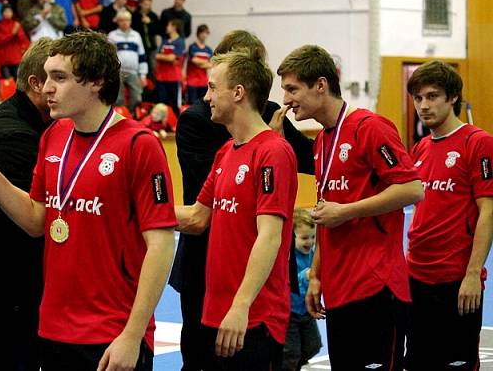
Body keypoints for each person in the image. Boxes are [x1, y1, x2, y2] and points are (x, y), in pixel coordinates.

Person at [0, 31, 176, 370]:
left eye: (60, 77)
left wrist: (133, 334)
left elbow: (161, 245)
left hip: (112, 331)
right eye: (47, 76)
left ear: (96, 82)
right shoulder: (54, 136)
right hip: (53, 328)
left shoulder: (139, 144)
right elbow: (38, 220)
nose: (46, 88)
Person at [170, 29, 314, 371]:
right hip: (215, 306)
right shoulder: (225, 152)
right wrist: (130, 206)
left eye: (211, 87)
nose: (206, 97)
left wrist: (241, 304)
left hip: (252, 313)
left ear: (238, 91)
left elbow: (269, 235)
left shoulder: (273, 151)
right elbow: (195, 217)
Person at [278, 44, 423, 370]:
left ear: (320, 85)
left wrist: (347, 211)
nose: (287, 99)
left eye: (292, 89)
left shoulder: (369, 127)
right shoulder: (323, 142)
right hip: (339, 289)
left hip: (376, 285)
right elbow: (327, 213)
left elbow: (413, 188)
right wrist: (316, 275)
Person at [0, 37, 54, 371]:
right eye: (56, 78)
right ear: (35, 83)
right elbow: (32, 218)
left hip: (15, 286)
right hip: (8, 289)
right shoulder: (14, 132)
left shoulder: (35, 122)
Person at [405, 61, 493, 371]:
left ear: (453, 97)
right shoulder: (420, 149)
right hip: (416, 277)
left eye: (433, 96)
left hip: (456, 281)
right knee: (417, 362)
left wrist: (472, 274)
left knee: (456, 363)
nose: (424, 106)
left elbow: (488, 212)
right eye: (418, 98)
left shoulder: (477, 142)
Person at [283, 209, 322, 371]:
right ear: (292, 237)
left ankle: (294, 365)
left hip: (306, 312)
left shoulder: (314, 254)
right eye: (304, 238)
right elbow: (288, 281)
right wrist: (305, 275)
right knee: (291, 352)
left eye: (313, 237)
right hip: (289, 314)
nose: (310, 242)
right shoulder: (287, 257)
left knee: (314, 345)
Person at [108, 9, 147, 115]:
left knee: (137, 97)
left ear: (130, 21)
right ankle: (120, 118)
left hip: (133, 71)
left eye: (127, 20)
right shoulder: (112, 36)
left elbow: (142, 56)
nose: (125, 22)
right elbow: (108, 56)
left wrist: (143, 75)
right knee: (118, 98)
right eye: (122, 20)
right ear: (118, 21)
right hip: (117, 72)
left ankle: (133, 116)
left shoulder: (136, 36)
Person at [155, 18, 185, 114]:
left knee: (174, 104)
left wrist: (163, 57)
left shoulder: (180, 41)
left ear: (174, 27)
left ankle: (175, 125)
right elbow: (157, 56)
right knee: (161, 104)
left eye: (168, 25)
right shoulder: (164, 41)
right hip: (161, 77)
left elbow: (171, 58)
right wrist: (167, 57)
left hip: (174, 78)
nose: (167, 27)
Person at [0, 3, 29, 79]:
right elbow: (0, 41)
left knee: (18, 83)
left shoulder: (16, 24)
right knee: (7, 84)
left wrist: (17, 33)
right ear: (2, 13)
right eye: (6, 11)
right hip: (4, 60)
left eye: (10, 11)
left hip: (16, 58)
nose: (8, 13)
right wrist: (12, 34)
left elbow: (23, 40)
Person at [131, 0, 159, 81]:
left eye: (149, 4)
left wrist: (149, 22)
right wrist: (141, 22)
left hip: (152, 47)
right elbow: (133, 29)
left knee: (152, 69)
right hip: (140, 47)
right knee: (141, 69)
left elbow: (158, 30)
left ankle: (153, 90)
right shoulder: (135, 15)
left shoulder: (153, 15)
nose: (147, 6)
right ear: (141, 4)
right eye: (145, 4)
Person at [186, 24, 213, 105]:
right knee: (192, 104)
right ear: (198, 33)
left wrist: (200, 63)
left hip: (203, 82)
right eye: (202, 33)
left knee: (203, 104)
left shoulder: (208, 49)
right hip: (192, 81)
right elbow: (194, 60)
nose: (204, 35)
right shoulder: (192, 47)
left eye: (206, 33)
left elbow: (211, 64)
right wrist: (205, 62)